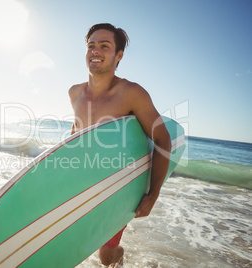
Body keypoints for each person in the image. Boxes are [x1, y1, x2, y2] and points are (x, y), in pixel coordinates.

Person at [69, 23, 172, 267]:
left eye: (105, 46)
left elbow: (162, 139)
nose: (95, 50)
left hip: (116, 188)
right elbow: (76, 132)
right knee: (69, 241)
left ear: (119, 55)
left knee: (106, 258)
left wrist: (153, 193)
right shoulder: (74, 93)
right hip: (82, 182)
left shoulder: (131, 93)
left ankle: (119, 257)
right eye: (91, 45)